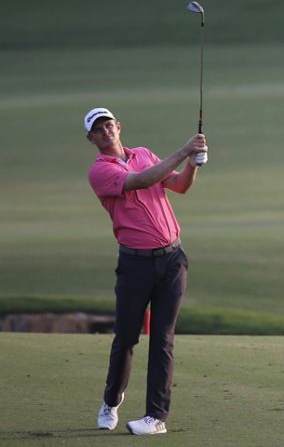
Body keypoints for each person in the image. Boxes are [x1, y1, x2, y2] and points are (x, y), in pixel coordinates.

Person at [84, 107, 208, 435]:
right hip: (135, 264)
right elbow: (140, 181)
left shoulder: (144, 154)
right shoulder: (99, 171)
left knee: (162, 339)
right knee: (126, 337)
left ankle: (156, 417)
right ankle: (111, 400)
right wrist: (184, 150)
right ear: (91, 138)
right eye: (98, 129)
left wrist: (193, 165)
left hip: (172, 260)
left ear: (118, 126)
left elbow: (179, 186)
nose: (105, 131)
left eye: (109, 125)